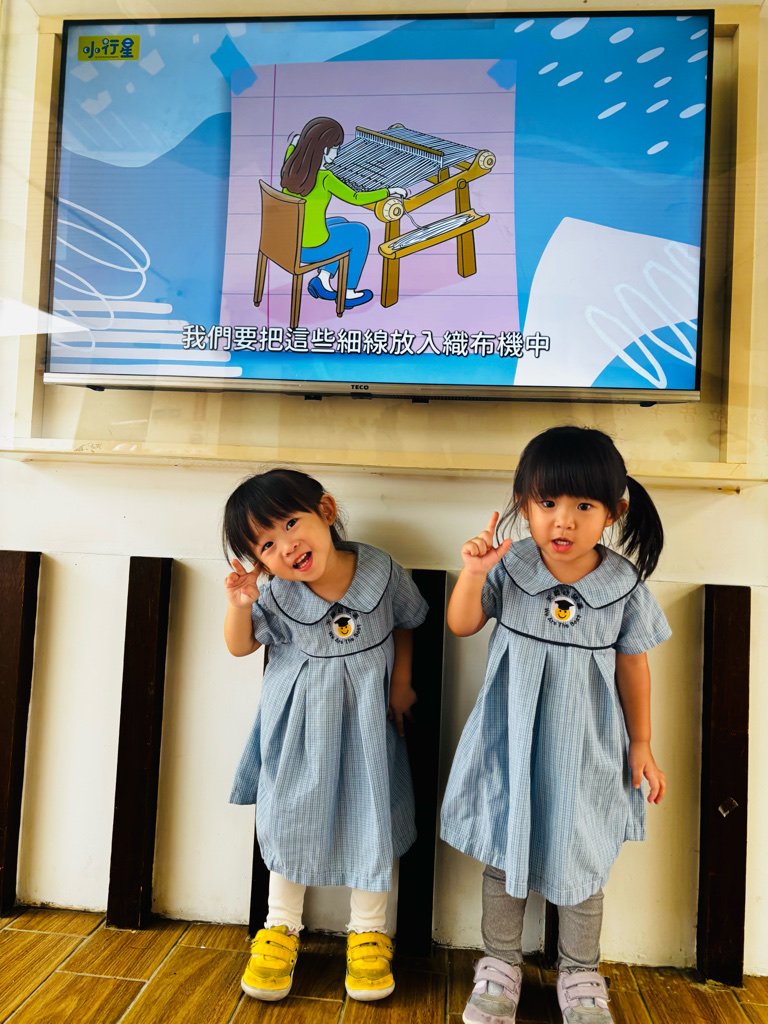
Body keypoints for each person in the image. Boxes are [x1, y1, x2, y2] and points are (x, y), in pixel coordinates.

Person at [441, 426, 671, 1024]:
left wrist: (643, 743)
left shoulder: (622, 585)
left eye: (583, 506)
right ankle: (499, 967)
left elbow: (635, 666)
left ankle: (580, 972)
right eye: (547, 503)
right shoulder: (511, 565)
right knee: (504, 853)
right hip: (510, 743)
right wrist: (474, 571)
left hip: (587, 750)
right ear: (525, 504)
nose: (562, 521)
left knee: (583, 859)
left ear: (615, 511)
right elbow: (462, 624)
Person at [223, 468, 427, 1003]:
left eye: (291, 524)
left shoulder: (380, 571)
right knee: (292, 816)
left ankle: (369, 931)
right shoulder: (277, 594)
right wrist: (240, 604)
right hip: (300, 730)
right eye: (267, 545)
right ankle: (280, 927)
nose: (287, 547)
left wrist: (401, 683)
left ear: (327, 511)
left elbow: (407, 620)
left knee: (371, 816)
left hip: (367, 729)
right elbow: (241, 646)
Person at [281, 116, 406, 308]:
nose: (337, 153)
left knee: (340, 222)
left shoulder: (291, 165)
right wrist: (389, 191)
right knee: (359, 233)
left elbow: (293, 147)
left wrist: (298, 141)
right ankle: (348, 293)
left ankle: (322, 281)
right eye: (335, 148)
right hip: (308, 249)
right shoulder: (325, 178)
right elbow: (356, 197)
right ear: (323, 150)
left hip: (288, 243)